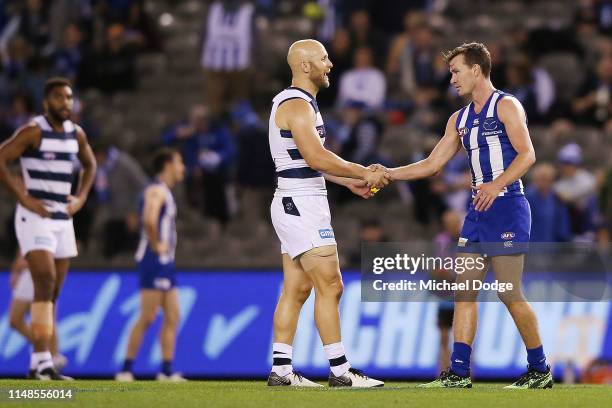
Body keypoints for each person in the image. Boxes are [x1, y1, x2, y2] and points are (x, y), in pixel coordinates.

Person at [389, 43, 553, 389]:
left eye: (456, 71)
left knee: (509, 292)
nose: (451, 79)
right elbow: (432, 165)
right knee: (463, 294)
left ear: (476, 70)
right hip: (477, 213)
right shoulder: (459, 119)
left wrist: (496, 184)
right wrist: (386, 172)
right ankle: (458, 373)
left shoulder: (506, 105)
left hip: (507, 206)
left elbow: (528, 155)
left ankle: (540, 369)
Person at [267, 39, 388, 387]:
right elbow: (317, 157)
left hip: (295, 199)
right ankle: (340, 371)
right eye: (323, 58)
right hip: (301, 203)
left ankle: (281, 370)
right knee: (331, 285)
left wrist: (346, 182)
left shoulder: (299, 103)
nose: (330, 63)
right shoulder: (296, 104)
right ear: (305, 66)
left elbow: (306, 161)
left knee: (297, 288)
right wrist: (363, 172)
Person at [0, 77, 97, 380]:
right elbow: (1, 158)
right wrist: (23, 197)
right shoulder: (33, 131)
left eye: (68, 98)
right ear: (46, 102)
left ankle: (39, 362)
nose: (65, 103)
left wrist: (80, 198)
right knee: (45, 279)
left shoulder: (75, 134)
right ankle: (43, 361)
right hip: (35, 216)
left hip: (62, 218)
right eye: (58, 97)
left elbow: (90, 165)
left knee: (52, 293)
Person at [116, 148, 186, 382]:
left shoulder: (162, 190)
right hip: (154, 260)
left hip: (164, 262)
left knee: (173, 315)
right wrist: (157, 245)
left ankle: (166, 371)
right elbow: (148, 217)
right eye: (179, 162)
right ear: (167, 164)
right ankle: (126, 369)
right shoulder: (156, 190)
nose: (182, 167)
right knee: (147, 316)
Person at [9, 250, 68, 373]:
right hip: (27, 272)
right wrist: (16, 270)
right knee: (15, 320)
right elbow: (22, 244)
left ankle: (50, 356)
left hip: (42, 270)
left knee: (48, 316)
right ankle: (48, 354)